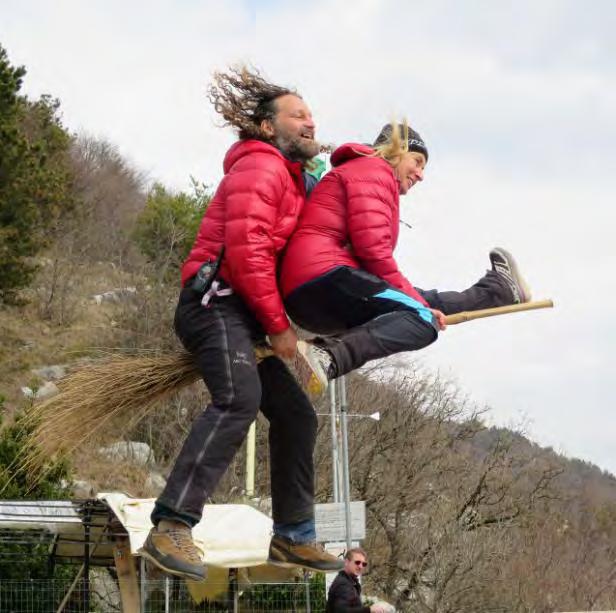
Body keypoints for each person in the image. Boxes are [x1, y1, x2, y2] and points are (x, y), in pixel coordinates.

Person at [139, 67, 343, 580]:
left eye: (312, 115)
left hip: (247, 314)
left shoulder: (295, 182)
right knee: (238, 399)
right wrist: (278, 327)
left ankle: (294, 538)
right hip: (215, 303)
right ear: (267, 128)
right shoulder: (261, 167)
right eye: (297, 115)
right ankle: (171, 523)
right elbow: (248, 250)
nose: (310, 122)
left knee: (298, 415)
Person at [280, 122, 531, 386]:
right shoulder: (373, 170)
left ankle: (501, 290)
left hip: (316, 286)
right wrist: (418, 305)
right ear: (396, 151)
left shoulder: (365, 172)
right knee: (423, 318)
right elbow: (374, 251)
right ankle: (329, 354)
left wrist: (415, 300)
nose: (421, 175)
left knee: (423, 301)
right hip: (322, 279)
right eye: (417, 161)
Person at [327, 548, 389, 613]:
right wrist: (370, 609)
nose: (360, 566)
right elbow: (342, 611)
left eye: (363, 564)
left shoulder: (350, 582)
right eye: (357, 562)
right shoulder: (343, 584)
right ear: (346, 562)